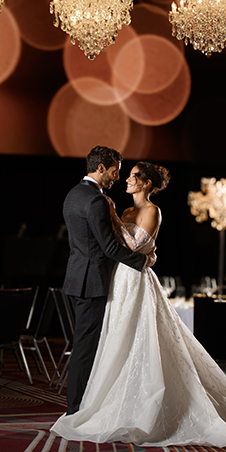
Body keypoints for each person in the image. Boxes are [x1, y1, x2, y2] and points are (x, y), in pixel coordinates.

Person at [51, 162, 226, 447]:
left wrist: (115, 221)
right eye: (128, 175)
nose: (126, 180)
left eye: (133, 176)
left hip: (136, 281)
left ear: (146, 184)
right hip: (118, 279)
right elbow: (114, 246)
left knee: (139, 339)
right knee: (115, 338)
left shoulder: (151, 211)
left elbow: (132, 245)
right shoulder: (126, 210)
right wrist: (117, 220)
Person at [62, 146, 155, 416]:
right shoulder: (96, 200)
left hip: (78, 277)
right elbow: (109, 249)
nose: (117, 177)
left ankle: (83, 402)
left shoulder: (73, 195)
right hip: (93, 281)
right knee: (86, 347)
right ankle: (76, 408)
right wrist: (143, 262)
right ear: (101, 168)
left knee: (88, 343)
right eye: (115, 172)